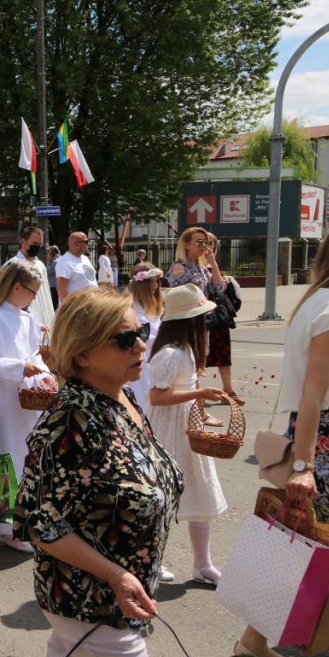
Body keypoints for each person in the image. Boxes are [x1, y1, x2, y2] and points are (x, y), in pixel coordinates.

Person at [13, 289, 183, 657]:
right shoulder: (71, 420)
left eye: (142, 331)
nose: (140, 345)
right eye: (125, 339)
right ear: (82, 354)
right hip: (91, 602)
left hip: (115, 597)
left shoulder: (119, 397)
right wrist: (117, 576)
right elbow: (40, 522)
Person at [234, 234, 329, 657]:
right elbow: (313, 397)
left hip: (317, 434)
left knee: (299, 542)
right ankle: (255, 638)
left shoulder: (316, 302)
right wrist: (304, 467)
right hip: (324, 439)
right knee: (302, 542)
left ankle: (255, 638)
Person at [146, 284, 227, 589]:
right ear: (187, 320)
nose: (205, 322)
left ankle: (202, 564)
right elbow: (157, 397)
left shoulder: (187, 350)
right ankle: (151, 561)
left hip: (189, 424)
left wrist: (202, 409)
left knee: (200, 491)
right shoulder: (169, 353)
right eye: (200, 316)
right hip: (169, 428)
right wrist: (200, 393)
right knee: (162, 497)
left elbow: (188, 388)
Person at [0, 261, 55, 552]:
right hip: (4, 397)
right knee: (8, 455)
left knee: (26, 456)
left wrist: (45, 375)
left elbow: (35, 352)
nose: (35, 298)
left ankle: (21, 522)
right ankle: (8, 528)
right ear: (17, 287)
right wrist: (18, 367)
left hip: (27, 396)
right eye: (32, 292)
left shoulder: (27, 318)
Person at [167, 228, 243, 407]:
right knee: (190, 364)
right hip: (186, 322)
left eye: (206, 242)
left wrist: (213, 263)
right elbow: (179, 296)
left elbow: (218, 289)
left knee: (198, 364)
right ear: (187, 245)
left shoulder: (202, 268)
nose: (204, 246)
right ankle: (198, 408)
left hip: (203, 322)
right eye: (200, 242)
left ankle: (197, 408)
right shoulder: (179, 267)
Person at [126, 263, 164, 409]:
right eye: (150, 282)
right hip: (140, 364)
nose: (154, 285)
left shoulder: (155, 305)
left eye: (156, 281)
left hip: (154, 362)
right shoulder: (132, 307)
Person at [7, 225, 55, 327]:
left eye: (39, 244)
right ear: (23, 242)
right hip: (21, 321)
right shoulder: (13, 265)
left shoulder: (40, 265)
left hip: (43, 320)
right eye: (34, 243)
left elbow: (46, 295)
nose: (37, 247)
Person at [55, 232, 98, 302]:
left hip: (91, 305)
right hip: (77, 308)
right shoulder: (65, 261)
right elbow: (61, 288)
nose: (88, 244)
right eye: (86, 242)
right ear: (77, 244)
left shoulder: (85, 258)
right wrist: (69, 308)